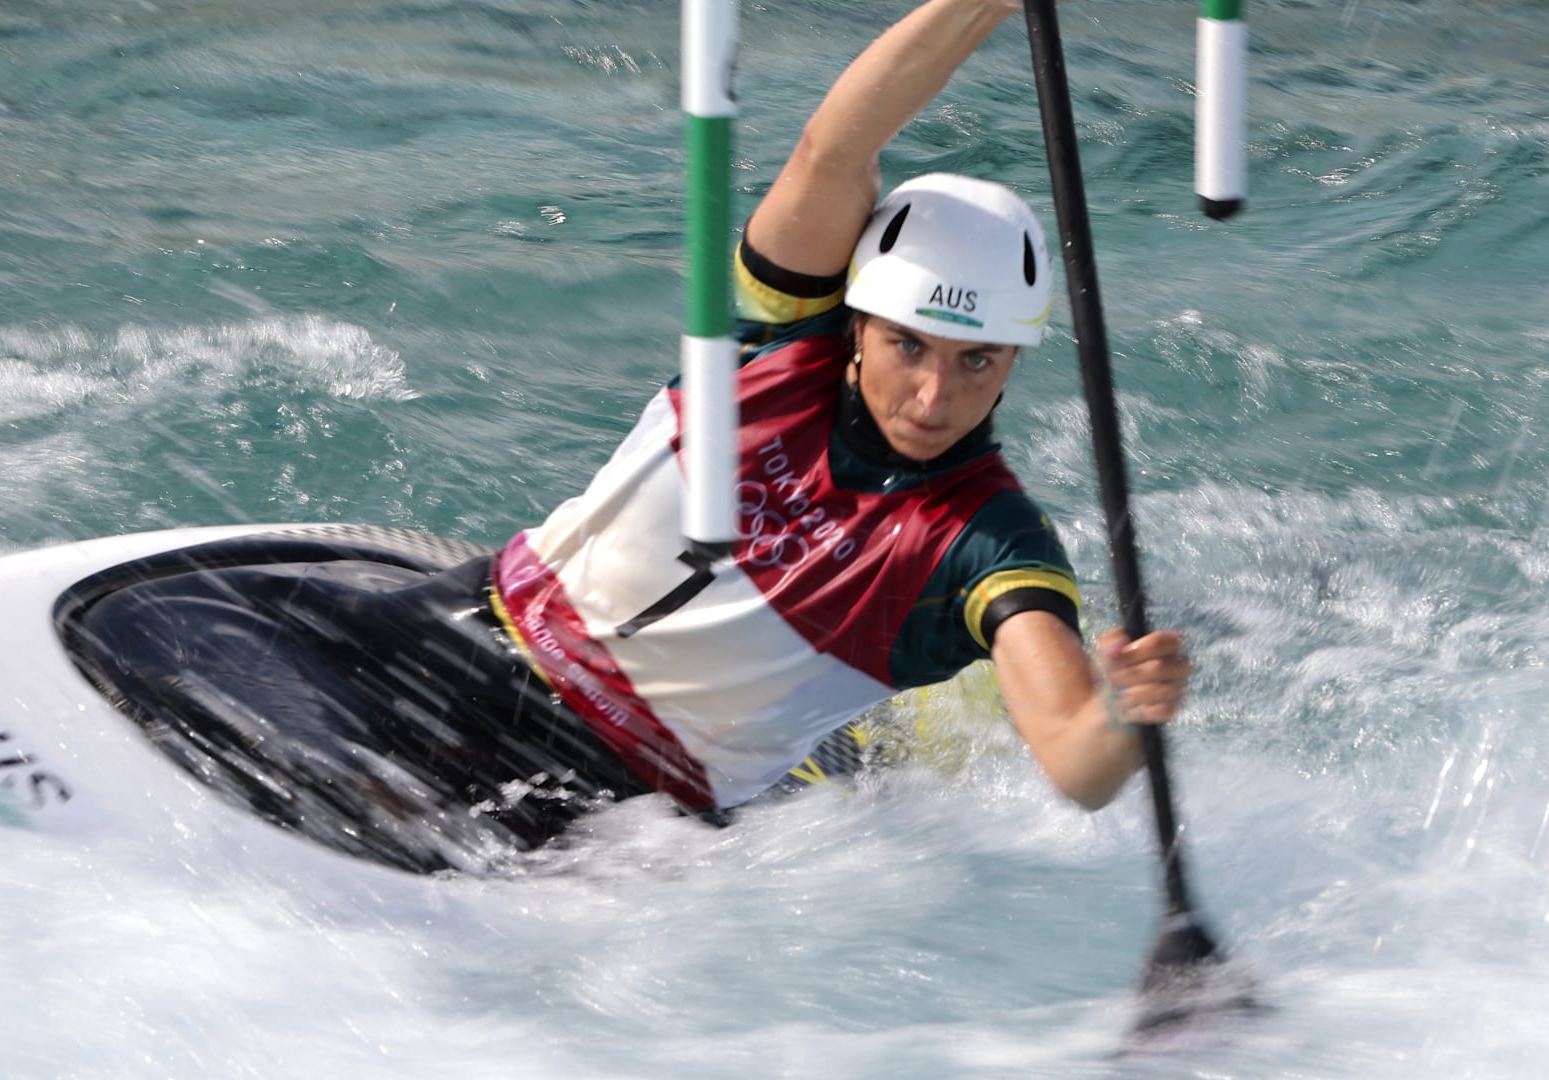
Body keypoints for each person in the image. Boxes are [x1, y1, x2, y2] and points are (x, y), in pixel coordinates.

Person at [84, 0, 1189, 873]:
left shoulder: (986, 542)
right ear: (856, 320)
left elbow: (1074, 761)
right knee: (168, 624)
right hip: (466, 627)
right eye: (910, 346)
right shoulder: (775, 346)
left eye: (977, 362)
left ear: (1014, 362)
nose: (936, 393)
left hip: (618, 794)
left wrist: (1128, 716)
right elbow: (834, 146)